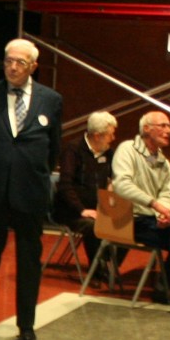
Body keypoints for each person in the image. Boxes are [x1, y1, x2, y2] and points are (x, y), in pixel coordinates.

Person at [0, 38, 62, 340]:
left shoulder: (51, 100)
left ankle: (26, 325)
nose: (12, 66)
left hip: (30, 194)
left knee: (28, 264)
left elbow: (53, 150)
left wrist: (33, 173)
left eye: (20, 62)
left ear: (33, 66)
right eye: (8, 60)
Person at [110, 111, 170, 307]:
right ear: (146, 129)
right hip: (129, 220)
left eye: (169, 127)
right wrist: (154, 204)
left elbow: (166, 193)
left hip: (151, 220)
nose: (168, 130)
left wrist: (165, 212)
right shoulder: (128, 149)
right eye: (163, 126)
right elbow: (121, 185)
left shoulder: (163, 162)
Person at [53, 110, 117, 267]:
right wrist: (82, 210)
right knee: (94, 225)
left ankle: (110, 263)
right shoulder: (73, 150)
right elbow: (65, 186)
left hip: (97, 209)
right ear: (97, 135)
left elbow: (115, 177)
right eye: (110, 135)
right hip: (71, 210)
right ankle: (97, 268)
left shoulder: (108, 153)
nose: (113, 138)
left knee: (127, 222)